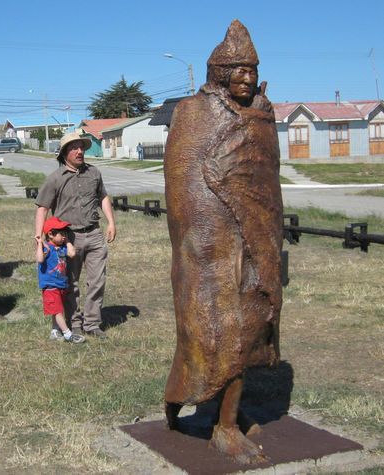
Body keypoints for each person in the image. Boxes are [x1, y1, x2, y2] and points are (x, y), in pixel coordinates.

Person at [162, 20, 283, 464]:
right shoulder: (194, 112)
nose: (248, 79)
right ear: (219, 72)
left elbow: (267, 179)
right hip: (210, 242)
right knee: (212, 330)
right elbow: (182, 181)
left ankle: (228, 418)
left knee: (250, 325)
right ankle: (187, 406)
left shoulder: (263, 113)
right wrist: (199, 240)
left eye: (253, 70)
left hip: (256, 240)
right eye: (239, 71)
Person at [35, 132, 116, 339]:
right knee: (70, 283)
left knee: (97, 281)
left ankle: (93, 324)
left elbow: (103, 197)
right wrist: (40, 238)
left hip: (95, 234)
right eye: (74, 148)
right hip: (68, 239)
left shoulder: (94, 173)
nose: (80, 151)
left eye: (81, 147)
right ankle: (74, 322)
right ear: (64, 153)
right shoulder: (55, 179)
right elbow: (43, 208)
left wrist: (111, 223)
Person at [36, 216, 85, 344]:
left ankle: (54, 330)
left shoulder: (63, 248)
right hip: (50, 286)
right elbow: (40, 259)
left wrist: (68, 241)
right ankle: (68, 334)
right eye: (62, 234)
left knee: (56, 310)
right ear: (50, 234)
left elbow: (72, 253)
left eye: (66, 233)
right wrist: (39, 244)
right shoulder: (46, 247)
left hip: (61, 284)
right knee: (58, 311)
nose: (64, 236)